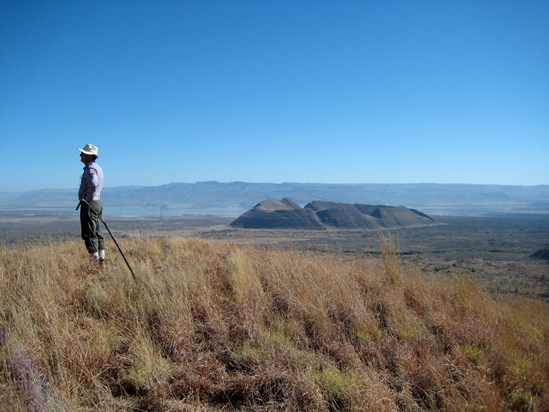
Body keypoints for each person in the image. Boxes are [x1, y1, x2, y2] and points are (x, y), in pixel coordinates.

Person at [78, 144, 105, 262]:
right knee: (96, 230)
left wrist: (87, 198)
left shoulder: (90, 169)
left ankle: (94, 262)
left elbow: (93, 184)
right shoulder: (97, 167)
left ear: (89, 156)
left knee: (90, 232)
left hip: (90, 203)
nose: (80, 155)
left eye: (83, 153)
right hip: (97, 202)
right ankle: (101, 259)